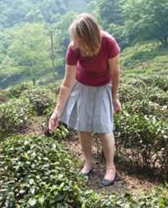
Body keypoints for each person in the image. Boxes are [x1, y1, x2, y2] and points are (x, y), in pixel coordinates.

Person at [48, 13, 121, 186]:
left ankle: (111, 167)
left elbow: (115, 73)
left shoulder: (108, 42)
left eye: (80, 40)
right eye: (75, 40)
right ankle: (88, 162)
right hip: (83, 85)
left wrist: (114, 97)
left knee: (104, 128)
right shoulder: (73, 49)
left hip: (103, 85)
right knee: (83, 126)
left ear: (91, 37)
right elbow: (67, 83)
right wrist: (56, 112)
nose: (77, 44)